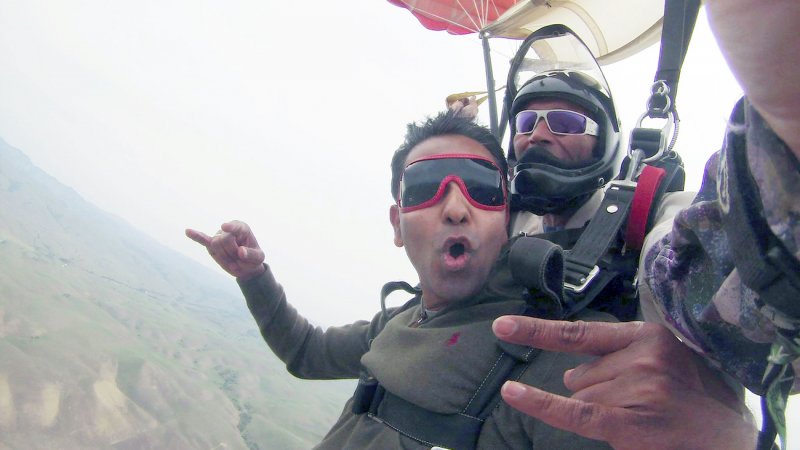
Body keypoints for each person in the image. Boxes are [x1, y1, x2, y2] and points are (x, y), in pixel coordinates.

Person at [186, 111, 618, 449]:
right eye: (425, 186)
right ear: (397, 225)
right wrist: (254, 276)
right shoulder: (405, 320)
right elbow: (306, 352)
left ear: (505, 221)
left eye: (482, 188)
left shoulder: (560, 358)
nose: (454, 208)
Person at [490, 1, 799, 449]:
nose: (538, 134)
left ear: (606, 142)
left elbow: (702, 264)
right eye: (525, 121)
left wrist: (782, 138)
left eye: (565, 121)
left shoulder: (648, 214)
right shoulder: (507, 220)